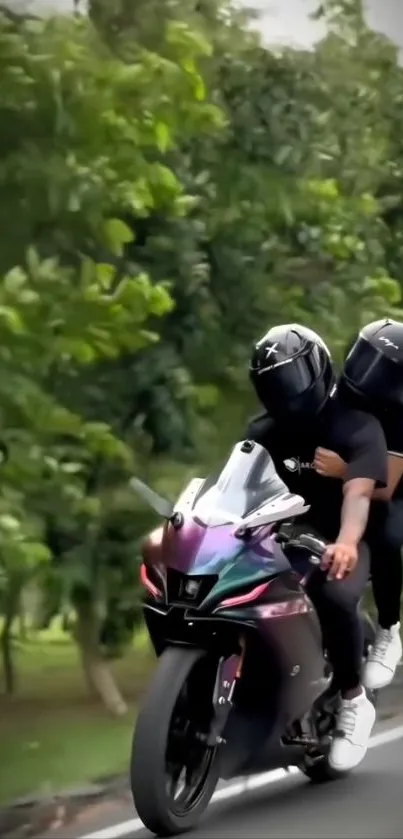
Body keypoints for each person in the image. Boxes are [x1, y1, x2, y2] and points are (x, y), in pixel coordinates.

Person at [247, 323, 388, 773]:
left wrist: (346, 542)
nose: (283, 393)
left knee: (335, 594)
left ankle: (352, 697)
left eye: (289, 379)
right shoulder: (261, 432)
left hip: (346, 537)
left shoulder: (357, 425)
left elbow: (359, 493)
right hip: (280, 537)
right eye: (272, 384)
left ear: (318, 368)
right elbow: (237, 485)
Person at [314, 318, 403, 691]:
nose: (368, 371)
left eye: (380, 366)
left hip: (391, 490)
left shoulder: (399, 415)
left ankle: (388, 627)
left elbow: (385, 485)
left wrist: (341, 470)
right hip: (349, 479)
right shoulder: (339, 392)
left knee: (386, 534)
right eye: (365, 356)